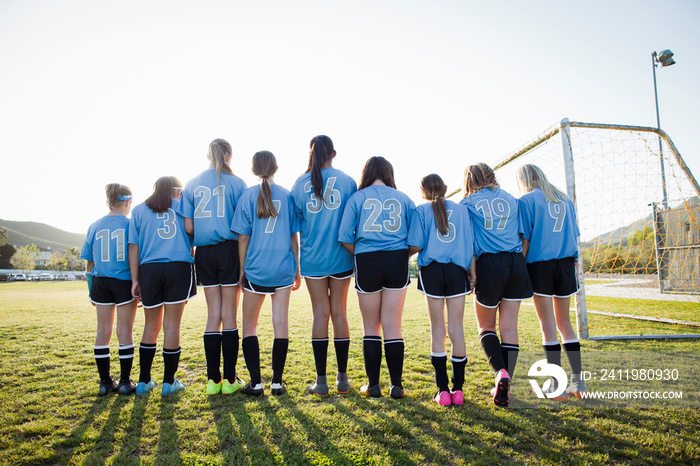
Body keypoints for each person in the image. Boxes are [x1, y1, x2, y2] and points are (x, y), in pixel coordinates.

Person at [339, 156, 415, 399]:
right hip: (396, 259)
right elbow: (416, 239)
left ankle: (373, 385)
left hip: (367, 260)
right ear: (388, 172)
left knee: (371, 326)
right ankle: (396, 386)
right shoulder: (404, 198)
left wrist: (362, 252)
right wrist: (402, 254)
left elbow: (344, 236)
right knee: (393, 325)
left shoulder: (357, 198)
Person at [460, 163, 533, 407]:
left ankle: (500, 373)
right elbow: (524, 237)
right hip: (515, 262)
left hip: (489, 263)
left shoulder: (467, 203)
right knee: (510, 327)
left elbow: (468, 242)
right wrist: (516, 264)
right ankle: (507, 383)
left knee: (486, 327)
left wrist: (472, 274)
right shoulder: (513, 199)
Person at [291, 135, 357, 396]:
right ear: (334, 153)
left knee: (320, 314)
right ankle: (342, 379)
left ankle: (321, 381)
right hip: (341, 256)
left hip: (313, 259)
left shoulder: (299, 183)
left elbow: (296, 227)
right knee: (339, 313)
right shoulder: (348, 181)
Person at [231, 151, 301, 396]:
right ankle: (278, 383)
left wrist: (242, 270)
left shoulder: (246, 195)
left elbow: (242, 237)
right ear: (276, 168)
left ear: (253, 169)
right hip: (283, 268)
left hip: (256, 269)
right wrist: (297, 270)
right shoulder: (287, 195)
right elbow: (294, 236)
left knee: (249, 326)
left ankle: (256, 383)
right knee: (280, 324)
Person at [182, 139, 248, 395]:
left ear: (206, 155)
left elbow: (189, 228)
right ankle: (230, 381)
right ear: (229, 156)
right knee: (229, 315)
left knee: (213, 316)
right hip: (229, 250)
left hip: (205, 252)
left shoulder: (192, 183)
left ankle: (213, 381)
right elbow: (243, 225)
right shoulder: (238, 183)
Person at [516, 163, 585, 399]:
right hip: (565, 264)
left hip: (540, 266)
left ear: (524, 179)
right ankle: (578, 383)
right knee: (565, 322)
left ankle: (557, 386)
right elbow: (575, 235)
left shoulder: (527, 200)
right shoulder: (565, 200)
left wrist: (519, 267)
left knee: (548, 326)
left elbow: (525, 240)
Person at [408, 174, 475, 407]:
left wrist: (400, 257)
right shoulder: (462, 210)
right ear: (446, 189)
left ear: (424, 192)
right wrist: (472, 272)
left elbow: (415, 245)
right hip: (457, 271)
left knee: (438, 330)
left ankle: (442, 391)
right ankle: (458, 390)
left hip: (432, 272)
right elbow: (470, 244)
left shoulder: (421, 210)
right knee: (457, 329)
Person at [128, 176, 196, 396]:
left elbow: (133, 247)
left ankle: (143, 381)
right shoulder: (182, 207)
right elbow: (193, 234)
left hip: (149, 269)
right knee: (172, 325)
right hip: (178, 267)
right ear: (176, 190)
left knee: (150, 326)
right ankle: (168, 382)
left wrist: (135, 279)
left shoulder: (138, 210)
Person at [81, 183, 138, 396]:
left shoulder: (94, 225)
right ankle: (124, 382)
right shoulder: (131, 225)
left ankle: (104, 382)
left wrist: (90, 289)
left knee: (102, 332)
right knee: (124, 332)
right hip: (123, 281)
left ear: (109, 202)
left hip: (100, 282)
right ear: (128, 202)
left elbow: (89, 263)